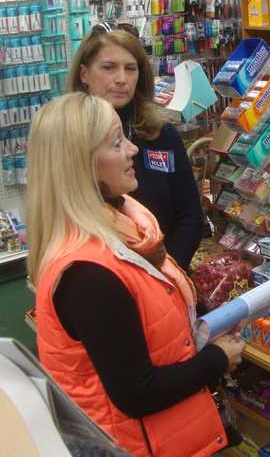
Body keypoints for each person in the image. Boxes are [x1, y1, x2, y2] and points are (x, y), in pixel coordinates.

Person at [27, 92, 246, 457]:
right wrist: (217, 359)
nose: (133, 150)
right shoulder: (88, 273)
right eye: (116, 143)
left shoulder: (126, 230)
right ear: (82, 164)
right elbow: (137, 393)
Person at [66, 23, 203, 271]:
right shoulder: (67, 139)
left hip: (167, 276)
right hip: (99, 281)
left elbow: (190, 216)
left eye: (131, 69)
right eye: (108, 67)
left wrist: (165, 272)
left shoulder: (161, 135)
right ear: (84, 74)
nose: (121, 79)